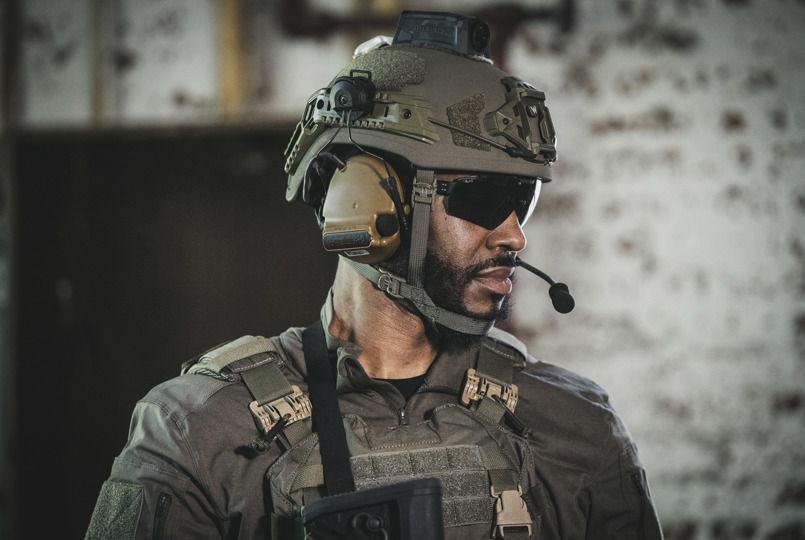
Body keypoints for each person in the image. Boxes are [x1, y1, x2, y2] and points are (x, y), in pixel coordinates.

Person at [86, 10, 663, 540]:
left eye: (523, 200)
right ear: (369, 202)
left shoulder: (577, 428)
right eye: (485, 198)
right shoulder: (199, 432)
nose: (515, 235)